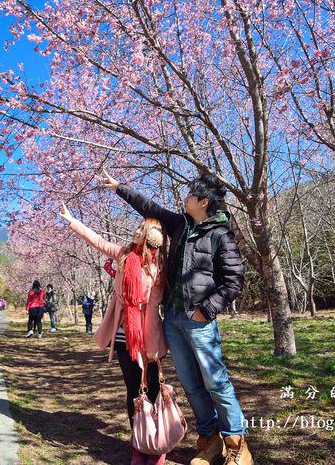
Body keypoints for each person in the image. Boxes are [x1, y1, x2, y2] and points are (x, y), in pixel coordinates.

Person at [101, 170, 252, 465]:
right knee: (191, 385)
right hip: (173, 317)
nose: (185, 198)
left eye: (190, 195)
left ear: (203, 202)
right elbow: (150, 208)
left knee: (216, 383)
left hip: (199, 321)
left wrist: (205, 310)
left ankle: (237, 445)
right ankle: (210, 441)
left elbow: (234, 279)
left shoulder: (220, 235)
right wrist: (120, 188)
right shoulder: (180, 225)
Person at [59, 203, 169, 465]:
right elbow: (97, 240)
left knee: (152, 389)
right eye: (137, 226)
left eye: (142, 229)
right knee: (133, 390)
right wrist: (72, 220)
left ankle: (157, 447)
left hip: (148, 335)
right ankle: (139, 444)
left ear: (152, 236)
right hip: (123, 335)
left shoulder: (159, 266)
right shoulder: (123, 255)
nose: (136, 230)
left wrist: (151, 347)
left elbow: (154, 304)